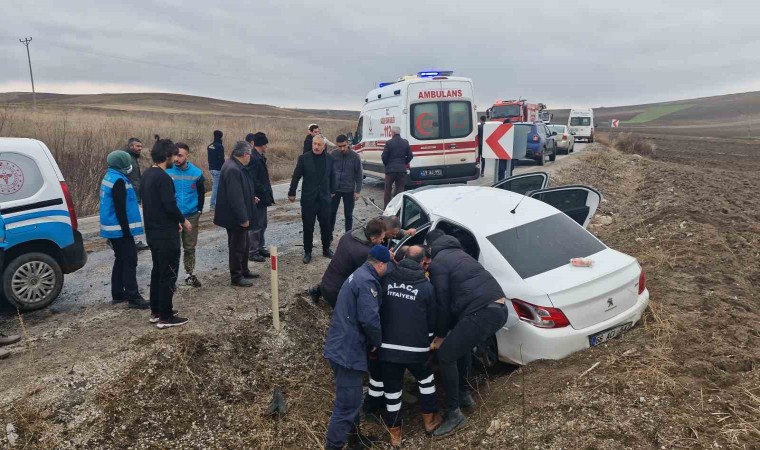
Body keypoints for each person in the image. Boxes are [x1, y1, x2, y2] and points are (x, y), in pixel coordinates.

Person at [426, 230, 509, 436]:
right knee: (460, 348)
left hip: (481, 312)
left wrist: (440, 334)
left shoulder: (438, 263)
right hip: (499, 308)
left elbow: (443, 302)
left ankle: (454, 413)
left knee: (446, 355)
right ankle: (464, 394)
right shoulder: (461, 255)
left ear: (430, 248)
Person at [323, 245, 391, 450]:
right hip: (348, 353)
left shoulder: (359, 274)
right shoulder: (367, 282)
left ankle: (355, 441)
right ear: (381, 265)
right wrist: (377, 342)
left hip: (340, 346)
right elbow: (369, 319)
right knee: (347, 405)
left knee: (351, 399)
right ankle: (333, 446)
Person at [378, 246, 442, 445]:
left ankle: (395, 434)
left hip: (388, 349)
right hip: (416, 350)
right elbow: (431, 321)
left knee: (392, 391)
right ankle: (429, 421)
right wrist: (428, 341)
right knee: (426, 380)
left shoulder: (386, 280)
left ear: (403, 257)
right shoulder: (426, 287)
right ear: (422, 263)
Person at [141, 138, 192, 328]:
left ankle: (156, 311)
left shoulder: (147, 174)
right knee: (168, 274)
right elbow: (169, 205)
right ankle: (166, 316)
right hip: (165, 236)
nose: (175, 159)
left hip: (153, 232)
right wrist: (182, 220)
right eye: (173, 155)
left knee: (157, 272)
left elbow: (156, 205)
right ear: (166, 156)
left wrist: (173, 222)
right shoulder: (163, 178)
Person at [99, 150, 150, 309]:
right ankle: (133, 297)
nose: (130, 166)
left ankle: (118, 293)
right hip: (120, 230)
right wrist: (127, 232)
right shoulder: (119, 181)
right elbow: (120, 209)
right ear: (121, 164)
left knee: (120, 259)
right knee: (130, 261)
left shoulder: (110, 176)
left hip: (113, 229)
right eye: (127, 163)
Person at [308, 217, 385, 308]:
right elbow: (373, 275)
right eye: (381, 239)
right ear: (373, 238)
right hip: (336, 294)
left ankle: (316, 292)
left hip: (325, 283)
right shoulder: (364, 252)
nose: (382, 241)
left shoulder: (350, 234)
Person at [213, 141, 259, 287]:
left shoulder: (236, 165)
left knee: (244, 245)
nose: (250, 157)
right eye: (249, 154)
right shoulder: (233, 169)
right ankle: (236, 276)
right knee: (237, 247)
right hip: (235, 218)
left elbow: (240, 189)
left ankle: (244, 270)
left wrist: (251, 197)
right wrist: (243, 218)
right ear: (245, 154)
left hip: (237, 215)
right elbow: (235, 197)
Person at [288, 134, 337, 264]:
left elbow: (333, 176)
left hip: (324, 199)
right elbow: (296, 176)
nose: (316, 146)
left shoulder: (330, 159)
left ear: (324, 146)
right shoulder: (304, 158)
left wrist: (333, 190)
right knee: (308, 227)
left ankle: (326, 249)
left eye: (319, 144)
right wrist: (292, 192)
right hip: (309, 199)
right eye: (314, 144)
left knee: (326, 225)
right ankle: (308, 252)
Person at [167, 143, 205, 288]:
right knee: (173, 248)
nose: (176, 158)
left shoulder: (196, 173)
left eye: (180, 155)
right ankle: (171, 277)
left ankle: (189, 274)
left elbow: (201, 192)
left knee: (189, 247)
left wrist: (199, 210)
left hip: (191, 214)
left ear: (187, 155)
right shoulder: (167, 171)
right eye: (175, 155)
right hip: (173, 216)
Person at [245, 132, 275, 263]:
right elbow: (251, 178)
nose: (266, 147)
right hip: (257, 197)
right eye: (265, 144)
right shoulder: (254, 158)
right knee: (256, 225)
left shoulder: (259, 157)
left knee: (262, 223)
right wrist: (261, 189)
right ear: (262, 145)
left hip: (262, 197)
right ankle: (253, 251)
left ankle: (260, 247)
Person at [330, 134, 363, 234]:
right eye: (339, 146)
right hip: (334, 190)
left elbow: (359, 175)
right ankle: (329, 235)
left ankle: (348, 235)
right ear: (336, 145)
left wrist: (357, 191)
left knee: (348, 215)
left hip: (349, 190)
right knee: (331, 213)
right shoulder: (333, 155)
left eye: (344, 145)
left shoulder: (355, 157)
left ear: (348, 143)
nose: (342, 148)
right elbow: (327, 172)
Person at [124, 137, 150, 251]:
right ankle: (135, 241)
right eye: (137, 146)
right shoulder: (127, 158)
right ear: (131, 146)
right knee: (135, 218)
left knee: (134, 218)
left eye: (141, 146)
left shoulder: (132, 158)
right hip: (131, 194)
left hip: (135, 193)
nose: (140, 148)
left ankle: (135, 241)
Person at [381, 126, 413, 207]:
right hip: (401, 170)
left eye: (391, 132)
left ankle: (387, 208)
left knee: (388, 190)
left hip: (390, 171)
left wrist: (387, 164)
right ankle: (398, 208)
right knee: (400, 190)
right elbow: (410, 156)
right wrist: (404, 163)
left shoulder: (389, 143)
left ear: (393, 133)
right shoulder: (405, 142)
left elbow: (384, 156)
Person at [207, 130, 225, 211]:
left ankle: (218, 203)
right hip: (218, 169)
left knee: (217, 186)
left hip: (211, 168)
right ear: (221, 136)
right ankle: (212, 204)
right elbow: (221, 159)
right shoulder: (220, 146)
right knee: (216, 187)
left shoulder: (209, 146)